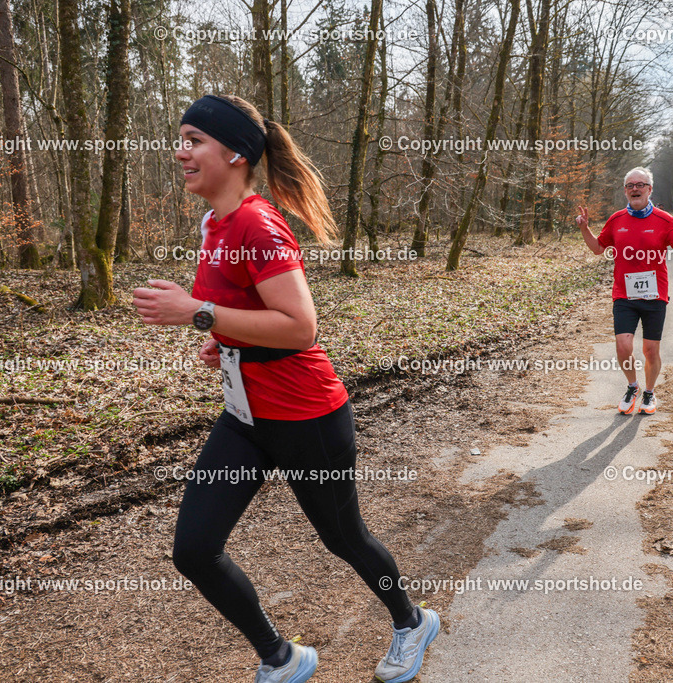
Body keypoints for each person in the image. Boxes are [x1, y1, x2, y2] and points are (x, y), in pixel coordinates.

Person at [131, 94, 438, 683]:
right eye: (181, 139)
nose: (181, 152)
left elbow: (301, 325)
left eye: (194, 140)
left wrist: (198, 313)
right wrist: (223, 338)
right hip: (246, 417)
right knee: (194, 549)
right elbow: (243, 308)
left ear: (236, 153)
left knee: (343, 538)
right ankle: (282, 657)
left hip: (306, 416)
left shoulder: (256, 221)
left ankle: (411, 621)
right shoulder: (214, 224)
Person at [575, 166, 673, 415]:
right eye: (630, 185)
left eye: (640, 184)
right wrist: (585, 228)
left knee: (651, 350)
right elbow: (598, 248)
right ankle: (633, 386)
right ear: (625, 191)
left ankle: (649, 392)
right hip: (624, 294)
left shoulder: (664, 220)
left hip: (654, 294)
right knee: (623, 346)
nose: (635, 188)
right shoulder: (617, 219)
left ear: (650, 189)